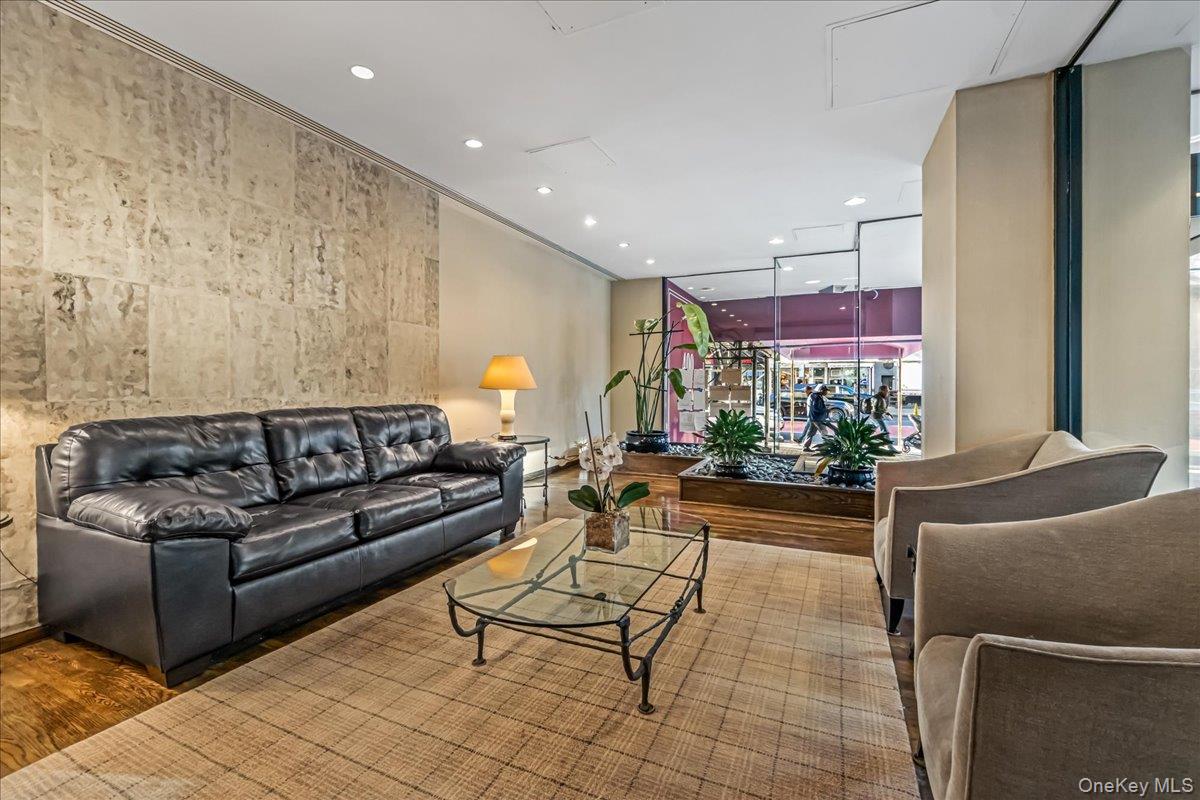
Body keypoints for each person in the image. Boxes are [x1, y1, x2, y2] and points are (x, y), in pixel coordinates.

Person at [801, 384, 835, 452]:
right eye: (825, 391)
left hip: (814, 418)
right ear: (821, 390)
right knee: (824, 432)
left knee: (811, 433)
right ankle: (825, 448)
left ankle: (805, 446)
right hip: (817, 419)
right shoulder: (816, 397)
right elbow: (816, 408)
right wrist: (826, 409)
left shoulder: (815, 396)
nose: (826, 393)